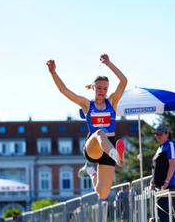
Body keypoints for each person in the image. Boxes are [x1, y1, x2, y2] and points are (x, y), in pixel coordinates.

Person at [47, 54, 127, 199]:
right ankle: (116, 156)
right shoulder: (87, 104)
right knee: (99, 133)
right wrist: (53, 72)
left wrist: (109, 63)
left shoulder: (112, 102)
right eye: (99, 88)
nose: (102, 91)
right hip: (94, 147)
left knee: (103, 194)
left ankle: (91, 170)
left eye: (105, 89)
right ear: (93, 88)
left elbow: (123, 81)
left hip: (110, 144)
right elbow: (64, 90)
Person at [147, 123, 175, 222]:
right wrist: (152, 181)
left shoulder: (170, 145)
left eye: (160, 134)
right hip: (158, 185)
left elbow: (172, 164)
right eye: (156, 134)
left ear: (167, 133)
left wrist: (167, 181)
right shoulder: (160, 147)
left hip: (167, 184)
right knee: (159, 211)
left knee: (164, 210)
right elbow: (155, 167)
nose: (158, 136)